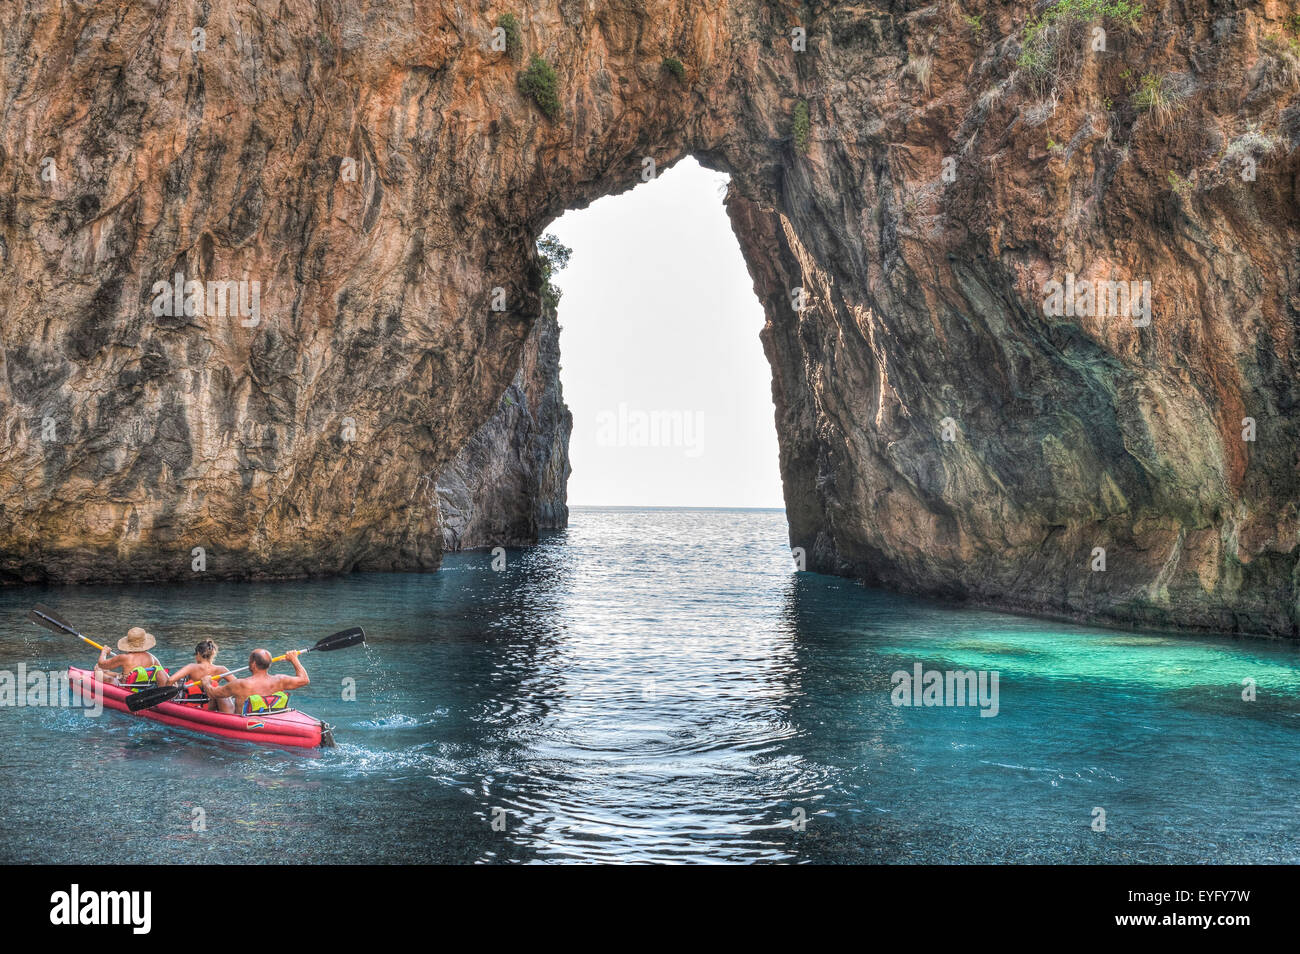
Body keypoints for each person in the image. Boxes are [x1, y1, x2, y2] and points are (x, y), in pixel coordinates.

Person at [205, 648, 309, 715]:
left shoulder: (240, 684)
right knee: (228, 695)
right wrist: (294, 659)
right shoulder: (280, 680)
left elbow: (212, 693)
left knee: (221, 696)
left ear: (253, 664)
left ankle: (205, 718)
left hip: (243, 722)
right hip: (268, 717)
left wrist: (206, 682)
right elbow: (304, 680)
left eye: (249, 660)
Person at [163, 640, 235, 713]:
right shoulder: (222, 669)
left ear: (198, 654)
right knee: (222, 693)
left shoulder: (191, 667)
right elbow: (238, 685)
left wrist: (168, 698)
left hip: (193, 707)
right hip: (211, 706)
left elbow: (170, 680)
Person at [94, 627, 168, 689]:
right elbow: (164, 674)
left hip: (127, 688)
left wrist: (104, 652)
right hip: (144, 687)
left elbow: (101, 664)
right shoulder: (152, 658)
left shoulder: (124, 658)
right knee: (110, 672)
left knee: (98, 669)